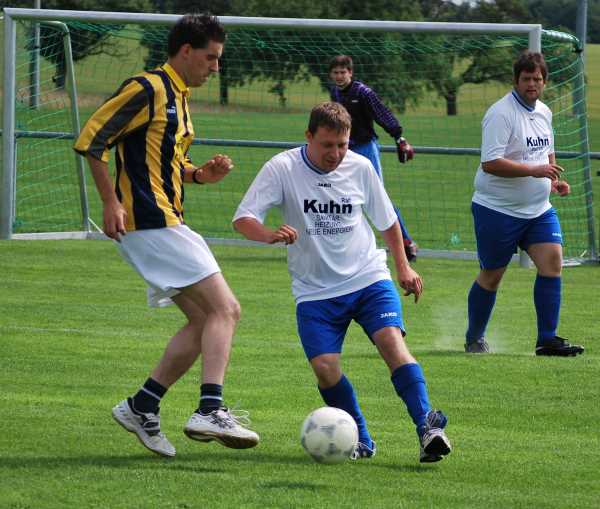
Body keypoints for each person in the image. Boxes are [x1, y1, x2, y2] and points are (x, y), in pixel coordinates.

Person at [73, 13, 259, 458]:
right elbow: (92, 140)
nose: (215, 67)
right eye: (210, 58)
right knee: (227, 309)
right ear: (186, 51)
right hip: (151, 222)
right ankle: (210, 408)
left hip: (162, 220)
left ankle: (142, 405)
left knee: (204, 320)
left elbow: (163, 163)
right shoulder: (148, 87)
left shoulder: (179, 96)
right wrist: (110, 202)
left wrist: (199, 175)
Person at [233, 102, 452, 463]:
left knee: (391, 342)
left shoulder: (360, 167)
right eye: (327, 145)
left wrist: (403, 268)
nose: (335, 154)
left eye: (342, 145)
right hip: (315, 290)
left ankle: (427, 427)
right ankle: (361, 438)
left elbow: (387, 221)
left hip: (368, 278)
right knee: (325, 369)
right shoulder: (282, 167)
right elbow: (243, 219)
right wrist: (269, 234)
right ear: (308, 136)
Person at [465, 51, 584, 357]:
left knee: (553, 262)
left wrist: (553, 179)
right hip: (497, 209)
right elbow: (490, 163)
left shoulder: (544, 112)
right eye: (527, 78)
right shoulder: (500, 113)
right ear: (516, 80)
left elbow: (547, 152)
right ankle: (474, 338)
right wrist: (534, 171)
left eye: (538, 79)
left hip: (538, 210)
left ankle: (546, 340)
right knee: (492, 275)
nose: (532, 83)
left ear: (545, 82)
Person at [329, 54, 418, 261]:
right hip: (344, 150)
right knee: (339, 194)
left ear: (351, 73)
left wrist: (399, 137)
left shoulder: (363, 92)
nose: (339, 76)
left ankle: (406, 242)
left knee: (378, 197)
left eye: (343, 72)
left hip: (366, 148)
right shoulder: (335, 92)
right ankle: (342, 242)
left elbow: (382, 114)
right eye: (335, 73)